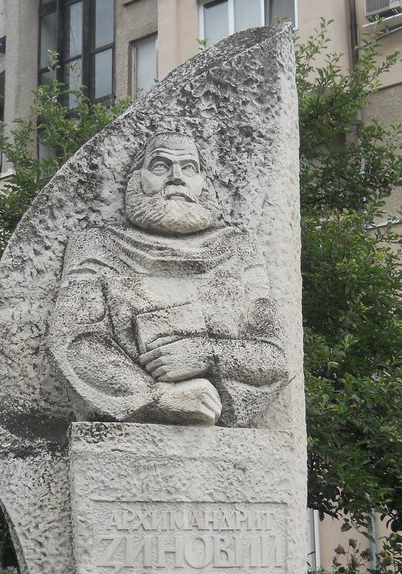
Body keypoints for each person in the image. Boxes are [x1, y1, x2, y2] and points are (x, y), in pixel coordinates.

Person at [48, 132, 287, 427]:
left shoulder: (239, 248)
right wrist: (156, 398)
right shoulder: (97, 244)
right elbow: (74, 340)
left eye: (189, 168)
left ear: (204, 183)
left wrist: (206, 354)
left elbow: (273, 357)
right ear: (137, 180)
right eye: (160, 166)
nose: (176, 177)